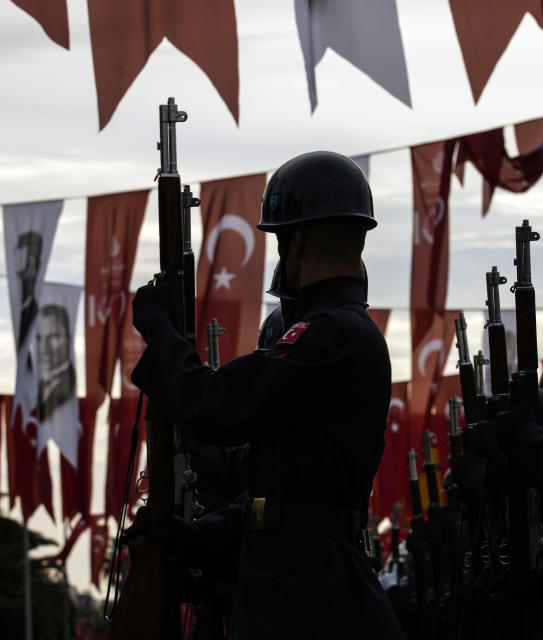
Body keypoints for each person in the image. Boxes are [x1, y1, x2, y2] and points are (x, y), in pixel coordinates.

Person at [131, 151, 403, 639]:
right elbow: (275, 483)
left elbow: (214, 406)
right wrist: (197, 539)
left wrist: (160, 330)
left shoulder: (330, 334)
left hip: (305, 597)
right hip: (300, 581)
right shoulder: (340, 331)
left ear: (295, 239)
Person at [35, 303, 77, 422]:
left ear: (68, 338)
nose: (44, 348)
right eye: (39, 338)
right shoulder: (37, 387)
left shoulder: (69, 387)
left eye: (53, 337)